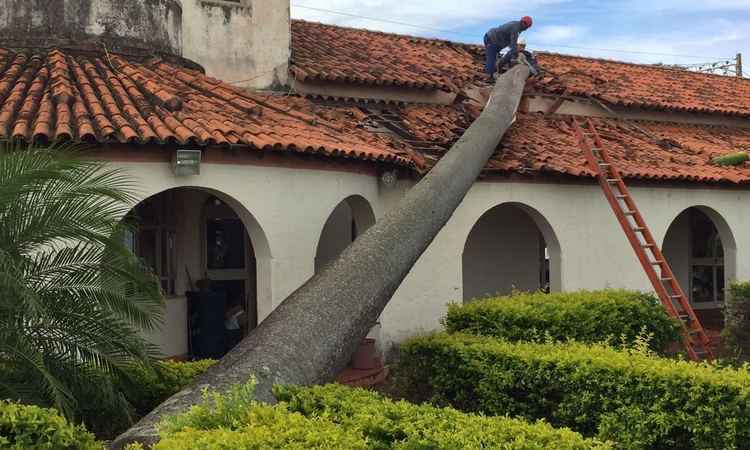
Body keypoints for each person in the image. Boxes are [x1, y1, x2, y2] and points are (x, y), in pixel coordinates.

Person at [484, 16, 533, 80]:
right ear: (524, 23)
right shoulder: (515, 28)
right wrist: (517, 55)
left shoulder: (516, 27)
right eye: (526, 27)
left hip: (496, 42)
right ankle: (488, 77)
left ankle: (491, 73)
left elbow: (511, 44)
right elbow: (513, 44)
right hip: (491, 39)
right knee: (491, 58)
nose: (526, 29)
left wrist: (515, 52)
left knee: (495, 58)